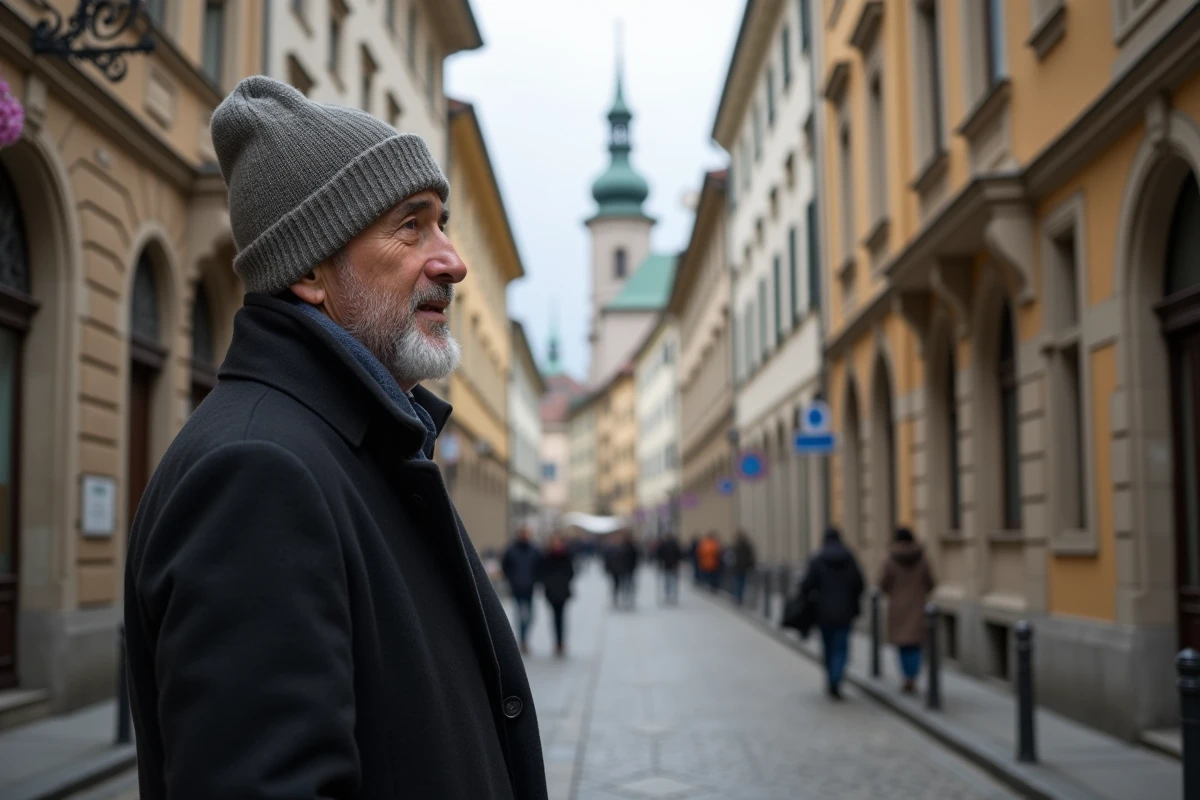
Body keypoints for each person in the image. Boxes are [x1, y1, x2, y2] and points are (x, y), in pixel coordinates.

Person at [123, 77, 546, 800]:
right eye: (411, 227)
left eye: (442, 223)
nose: (453, 260)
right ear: (313, 270)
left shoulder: (354, 446)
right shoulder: (258, 474)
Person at [799, 527, 865, 700]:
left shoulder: (818, 558)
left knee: (828, 647)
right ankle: (836, 678)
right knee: (841, 647)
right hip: (845, 611)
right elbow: (859, 583)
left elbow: (806, 585)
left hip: (824, 611)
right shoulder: (849, 557)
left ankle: (832, 678)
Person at [879, 527, 936, 694]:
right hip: (918, 606)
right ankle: (913, 676)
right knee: (916, 644)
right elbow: (931, 582)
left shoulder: (890, 559)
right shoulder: (922, 558)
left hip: (898, 607)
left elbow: (883, 584)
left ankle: (907, 676)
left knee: (903, 644)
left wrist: (894, 592)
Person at [503, 526, 543, 655]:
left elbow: (539, 567)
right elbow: (505, 566)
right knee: (520, 615)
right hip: (517, 587)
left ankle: (524, 638)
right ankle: (523, 640)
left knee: (530, 616)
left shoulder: (534, 550)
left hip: (529, 588)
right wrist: (511, 579)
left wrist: (535, 580)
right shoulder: (511, 550)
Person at [539, 533, 576, 657]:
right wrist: (548, 584)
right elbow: (542, 573)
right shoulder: (547, 557)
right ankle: (557, 642)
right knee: (554, 617)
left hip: (563, 591)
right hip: (551, 591)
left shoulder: (567, 556)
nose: (557, 544)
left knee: (561, 617)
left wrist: (563, 582)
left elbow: (571, 572)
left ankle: (560, 642)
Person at [657, 532, 683, 604]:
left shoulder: (674, 545)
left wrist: (677, 563)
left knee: (672, 581)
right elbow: (660, 555)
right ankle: (668, 595)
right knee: (668, 580)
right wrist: (660, 563)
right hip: (667, 565)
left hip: (673, 565)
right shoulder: (664, 545)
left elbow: (679, 555)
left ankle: (672, 594)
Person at [731, 529, 756, 605]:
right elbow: (751, 556)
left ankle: (738, 597)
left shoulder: (736, 546)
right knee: (741, 583)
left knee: (739, 583)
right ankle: (739, 597)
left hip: (739, 568)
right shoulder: (745, 545)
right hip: (743, 568)